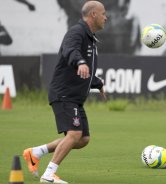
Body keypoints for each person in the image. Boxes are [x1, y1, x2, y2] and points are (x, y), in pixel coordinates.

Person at [22, 1, 108, 183]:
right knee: (74, 134)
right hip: (64, 95)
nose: (105, 17)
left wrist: (97, 83)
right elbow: (70, 50)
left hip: (74, 98)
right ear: (93, 14)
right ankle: (49, 175)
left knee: (83, 139)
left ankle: (36, 153)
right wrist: (80, 62)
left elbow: (82, 72)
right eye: (103, 13)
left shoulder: (90, 37)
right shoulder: (76, 32)